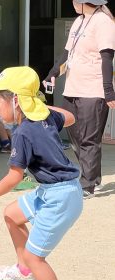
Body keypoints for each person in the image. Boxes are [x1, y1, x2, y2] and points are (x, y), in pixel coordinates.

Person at [0, 66, 83, 280]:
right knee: (11, 214)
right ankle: (24, 272)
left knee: (37, 257)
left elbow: (14, 176)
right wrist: (39, 105)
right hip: (54, 190)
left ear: (16, 100)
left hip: (61, 197)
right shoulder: (45, 118)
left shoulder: (24, 132)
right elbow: (69, 117)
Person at [43, 0, 115, 198]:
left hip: (94, 89)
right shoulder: (79, 21)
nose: (73, 2)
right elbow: (68, 53)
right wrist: (53, 73)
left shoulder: (104, 22)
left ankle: (88, 184)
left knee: (89, 139)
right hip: (73, 88)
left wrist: (108, 90)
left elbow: (107, 57)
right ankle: (92, 176)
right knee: (73, 133)